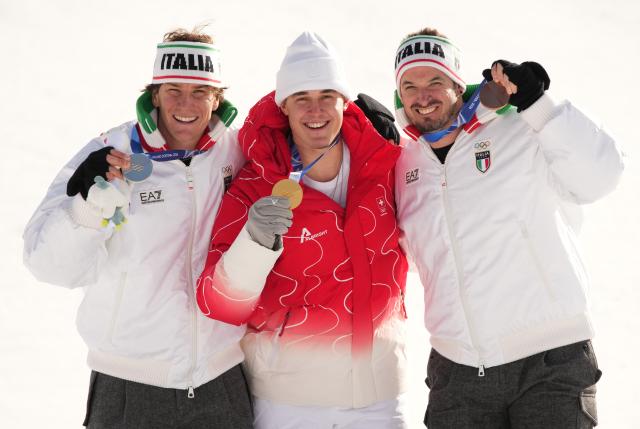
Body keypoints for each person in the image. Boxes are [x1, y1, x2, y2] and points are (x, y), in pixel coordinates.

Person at [393, 28, 624, 428]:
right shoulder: (403, 163)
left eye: (434, 80)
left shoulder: (518, 125)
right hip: (458, 370)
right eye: (409, 85)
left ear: (456, 83)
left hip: (549, 360)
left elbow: (601, 175)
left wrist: (540, 107)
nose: (422, 95)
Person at [23, 28, 253, 428]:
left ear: (218, 98)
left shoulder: (237, 151)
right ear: (154, 93)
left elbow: (308, 153)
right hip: (129, 383)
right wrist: (89, 207)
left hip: (221, 380)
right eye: (172, 90)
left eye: (200, 92)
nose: (186, 104)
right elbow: (48, 266)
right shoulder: (111, 150)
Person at [196, 32, 410, 428]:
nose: (315, 110)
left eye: (327, 95)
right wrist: (255, 243)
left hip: (378, 397)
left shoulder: (386, 166)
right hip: (288, 402)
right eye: (301, 99)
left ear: (345, 102)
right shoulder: (255, 184)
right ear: (284, 108)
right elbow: (218, 303)